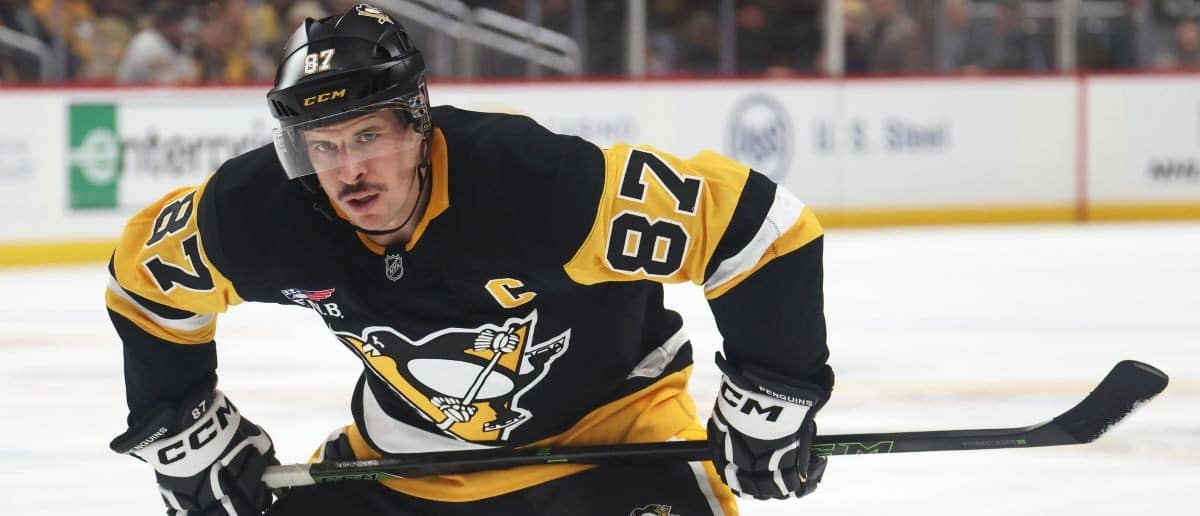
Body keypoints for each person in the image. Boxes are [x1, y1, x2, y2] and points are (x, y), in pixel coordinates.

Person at [106, 4, 833, 515]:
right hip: (402, 468)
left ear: (418, 122)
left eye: (367, 137)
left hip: (609, 446)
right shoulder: (268, 208)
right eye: (322, 147)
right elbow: (145, 278)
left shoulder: (532, 184)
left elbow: (758, 226)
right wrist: (185, 430)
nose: (348, 171)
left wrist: (770, 402)